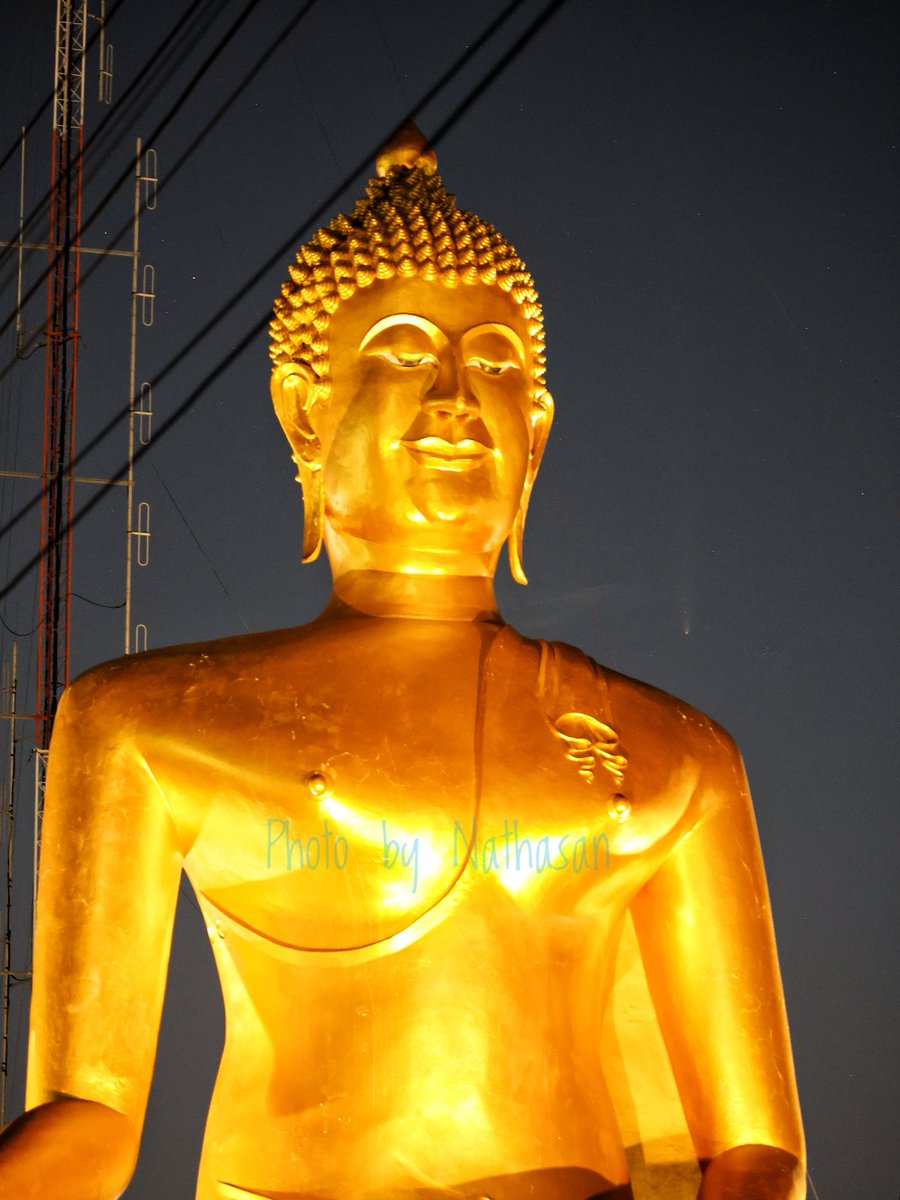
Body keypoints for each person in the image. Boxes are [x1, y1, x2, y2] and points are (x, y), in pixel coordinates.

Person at [0, 124, 805, 1200]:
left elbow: (756, 1152)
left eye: (496, 365)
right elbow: (86, 1118)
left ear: (540, 431)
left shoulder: (676, 756)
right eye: (401, 351)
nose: (454, 404)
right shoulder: (153, 721)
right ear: (304, 410)